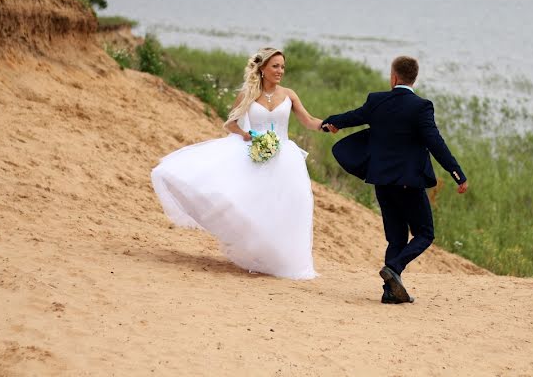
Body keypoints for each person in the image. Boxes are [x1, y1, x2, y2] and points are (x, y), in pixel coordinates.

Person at [151, 47, 323, 280]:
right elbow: (230, 124)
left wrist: (331, 124)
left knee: (286, 207)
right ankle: (256, 255)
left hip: (285, 159)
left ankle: (280, 259)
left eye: (282, 66)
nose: (280, 70)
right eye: (275, 66)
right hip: (254, 154)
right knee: (252, 205)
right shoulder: (248, 94)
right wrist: (246, 134)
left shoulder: (289, 94)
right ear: (262, 68)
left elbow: (309, 120)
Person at [321, 55, 468, 303]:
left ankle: (390, 292)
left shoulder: (377, 101)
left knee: (396, 237)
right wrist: (457, 174)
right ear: (414, 78)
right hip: (409, 183)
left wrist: (330, 123)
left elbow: (353, 117)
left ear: (394, 77)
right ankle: (395, 269)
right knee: (425, 233)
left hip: (382, 181)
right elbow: (436, 144)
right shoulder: (421, 107)